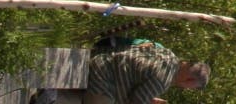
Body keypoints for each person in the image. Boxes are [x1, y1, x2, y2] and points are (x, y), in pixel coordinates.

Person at [83, 33, 211, 103]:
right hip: (101, 76)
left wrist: (148, 98)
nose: (186, 89)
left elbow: (138, 74)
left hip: (102, 58)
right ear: (189, 81)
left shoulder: (167, 53)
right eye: (191, 88)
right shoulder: (164, 80)